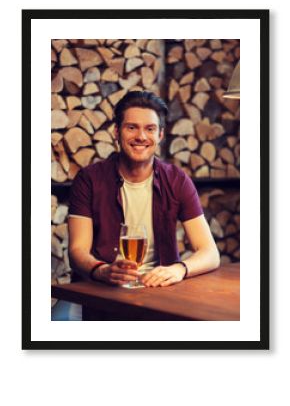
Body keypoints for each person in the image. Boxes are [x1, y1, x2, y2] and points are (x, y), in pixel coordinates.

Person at [68, 90, 220, 288]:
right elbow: (77, 251)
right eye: (132, 127)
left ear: (160, 135)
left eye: (150, 129)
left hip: (156, 288)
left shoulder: (176, 180)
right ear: (117, 131)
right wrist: (102, 270)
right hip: (100, 289)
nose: (141, 136)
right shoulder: (89, 179)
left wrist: (178, 268)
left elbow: (210, 253)